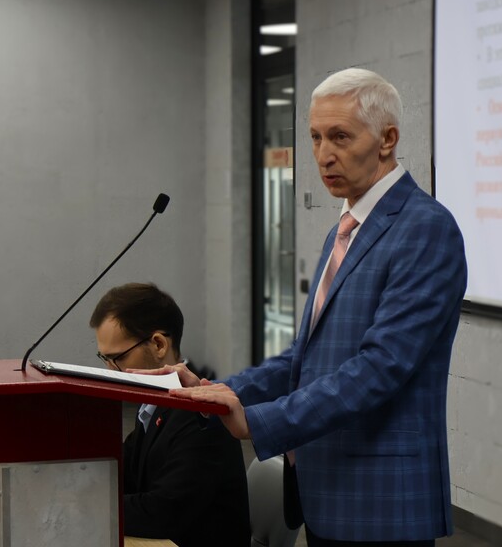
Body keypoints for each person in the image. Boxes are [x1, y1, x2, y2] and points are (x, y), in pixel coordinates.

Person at [159, 68, 468, 546]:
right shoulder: (345, 228)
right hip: (326, 491)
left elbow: (380, 368)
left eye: (340, 137)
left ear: (387, 140)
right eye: (316, 137)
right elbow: (304, 358)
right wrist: (219, 391)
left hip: (381, 502)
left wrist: (259, 421)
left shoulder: (425, 228)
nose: (324, 154)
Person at [89, 282, 250, 547]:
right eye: (104, 358)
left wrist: (88, 504)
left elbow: (163, 512)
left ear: (158, 344)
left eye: (117, 358)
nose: (111, 370)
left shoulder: (200, 415)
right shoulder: (153, 404)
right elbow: (124, 472)